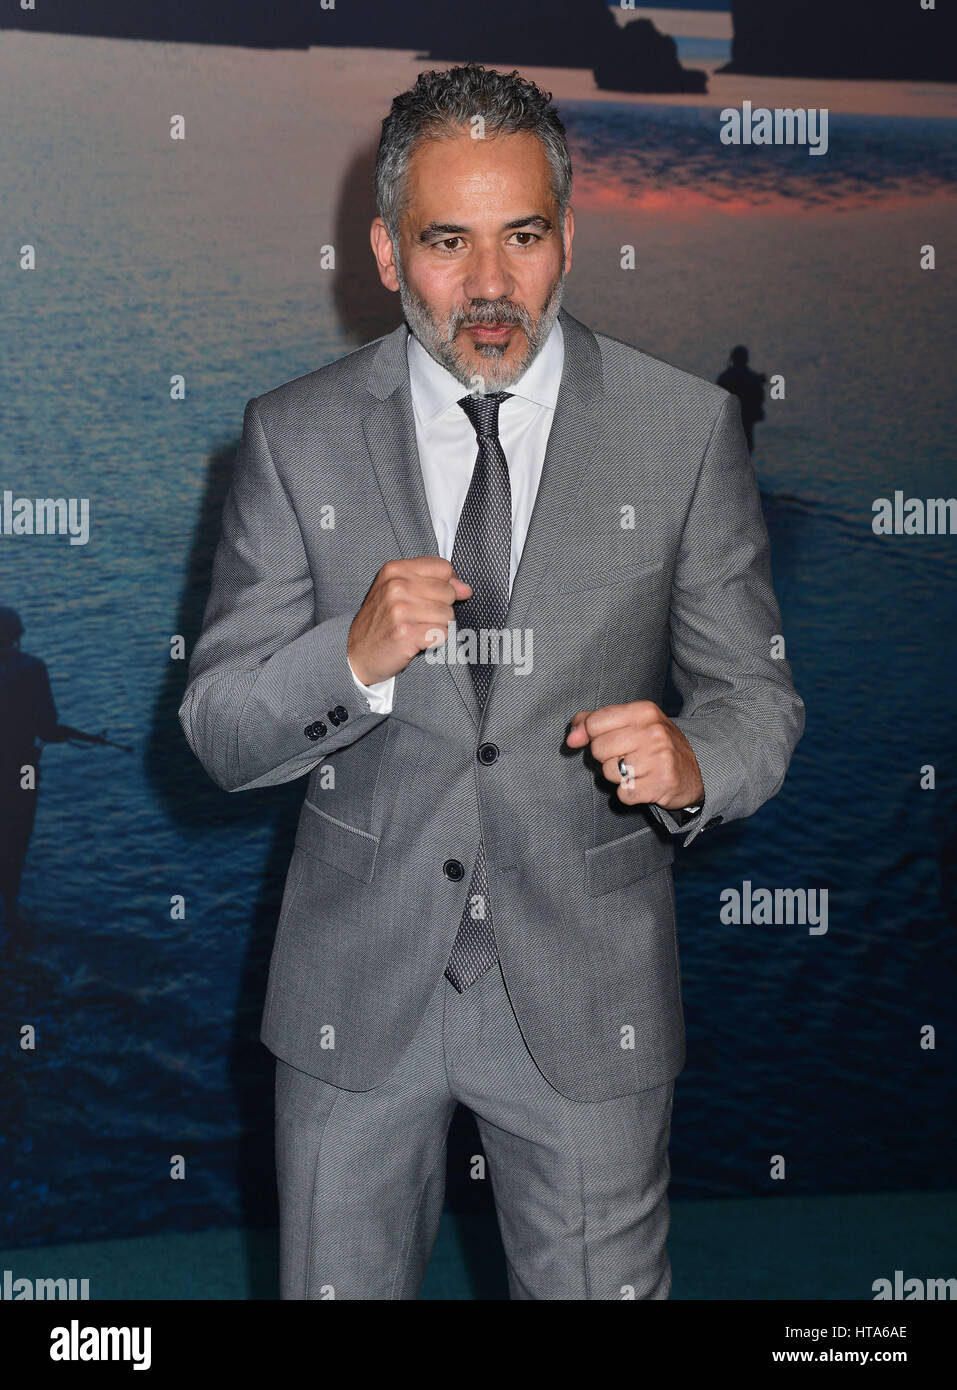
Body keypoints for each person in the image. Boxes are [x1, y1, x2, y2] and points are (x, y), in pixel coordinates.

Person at [179, 64, 804, 1301]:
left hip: (591, 996)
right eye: (445, 241)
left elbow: (760, 699)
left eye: (521, 236)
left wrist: (696, 762)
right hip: (355, 999)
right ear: (386, 251)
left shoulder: (684, 432)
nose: (488, 286)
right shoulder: (292, 436)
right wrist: (349, 660)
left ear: (568, 236)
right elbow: (217, 730)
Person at [0, 607, 94, 930]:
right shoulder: (32, 668)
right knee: (16, 837)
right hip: (21, 771)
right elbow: (47, 728)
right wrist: (67, 735)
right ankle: (10, 911)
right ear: (18, 635)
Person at [717, 345, 767, 453]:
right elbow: (759, 397)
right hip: (747, 418)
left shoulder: (724, 377)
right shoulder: (753, 377)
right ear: (746, 359)